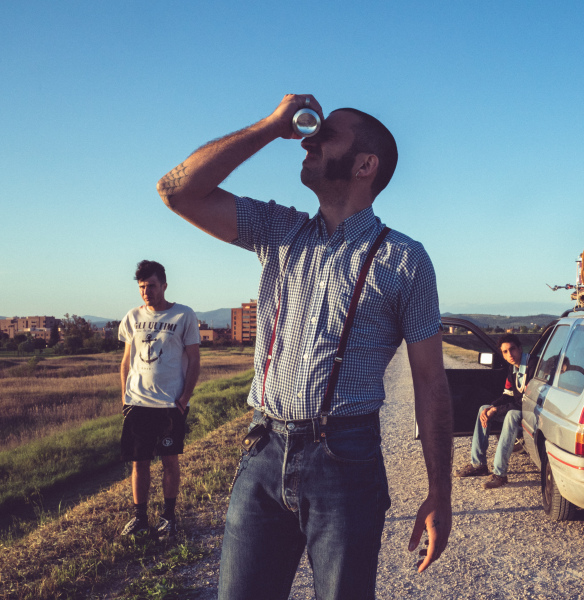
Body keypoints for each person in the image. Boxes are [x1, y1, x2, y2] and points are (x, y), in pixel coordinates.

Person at [156, 94, 453, 600]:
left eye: (327, 135)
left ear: (365, 165)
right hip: (263, 449)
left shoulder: (405, 260)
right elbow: (176, 191)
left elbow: (430, 381)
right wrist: (271, 125)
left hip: (346, 461)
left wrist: (439, 493)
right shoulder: (279, 230)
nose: (308, 141)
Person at [119, 260, 201, 538]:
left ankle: (168, 517)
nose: (146, 291)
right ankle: (140, 518)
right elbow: (126, 361)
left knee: (169, 461)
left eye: (151, 285)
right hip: (138, 403)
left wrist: (184, 398)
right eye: (142, 287)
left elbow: (194, 359)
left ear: (164, 285)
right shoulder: (132, 317)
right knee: (139, 462)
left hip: (169, 405)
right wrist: (125, 397)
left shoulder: (183, 315)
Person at [454, 333, 525, 490]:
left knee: (511, 415)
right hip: (519, 407)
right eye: (505, 352)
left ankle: (500, 474)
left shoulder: (533, 366)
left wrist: (497, 410)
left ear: (520, 348)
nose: (510, 354)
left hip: (532, 412)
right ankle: (478, 464)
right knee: (483, 409)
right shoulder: (513, 369)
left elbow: (523, 403)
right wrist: (491, 407)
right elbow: (507, 395)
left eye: (512, 349)